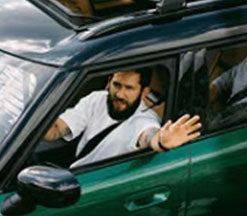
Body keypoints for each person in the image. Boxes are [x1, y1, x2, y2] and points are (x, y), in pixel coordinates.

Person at [43, 68, 201, 169]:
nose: (119, 94)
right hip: (76, 172)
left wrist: (161, 141)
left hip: (103, 184)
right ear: (109, 82)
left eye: (129, 88)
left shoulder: (144, 119)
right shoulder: (96, 100)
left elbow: (148, 136)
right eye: (117, 85)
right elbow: (56, 129)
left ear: (144, 92)